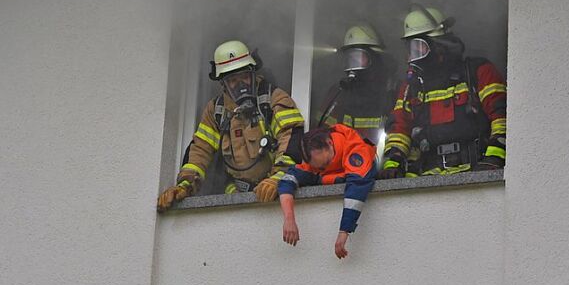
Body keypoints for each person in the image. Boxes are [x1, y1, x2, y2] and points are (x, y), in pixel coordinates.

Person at [157, 40, 304, 212]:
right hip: (235, 194)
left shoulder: (273, 98)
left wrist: (279, 177)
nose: (240, 84)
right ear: (223, 83)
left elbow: (292, 137)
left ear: (253, 73)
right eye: (233, 80)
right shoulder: (216, 110)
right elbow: (200, 150)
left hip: (272, 189)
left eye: (244, 77)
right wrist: (184, 185)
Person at [379, 6, 507, 178]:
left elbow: (502, 116)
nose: (411, 57)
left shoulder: (477, 72)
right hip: (426, 181)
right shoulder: (411, 87)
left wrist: (493, 159)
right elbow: (399, 129)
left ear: (439, 46)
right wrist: (393, 164)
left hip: (476, 173)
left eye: (418, 48)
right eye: (409, 49)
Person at [278, 124, 377, 259]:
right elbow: (287, 182)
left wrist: (344, 231)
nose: (322, 169)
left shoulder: (356, 150)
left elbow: (356, 190)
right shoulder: (314, 158)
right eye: (318, 167)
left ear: (330, 143)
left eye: (326, 164)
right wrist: (289, 219)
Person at [316, 24, 397, 149]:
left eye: (358, 58)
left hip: (381, 162)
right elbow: (321, 136)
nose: (353, 65)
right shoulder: (338, 93)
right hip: (346, 165)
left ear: (373, 58)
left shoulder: (392, 91)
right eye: (349, 59)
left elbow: (400, 130)